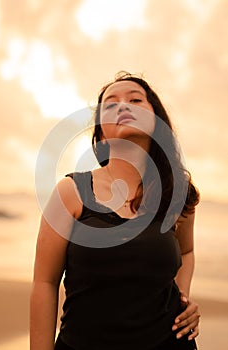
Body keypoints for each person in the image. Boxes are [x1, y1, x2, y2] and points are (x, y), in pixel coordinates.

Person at [30, 72, 201, 350]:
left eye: (135, 100)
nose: (123, 105)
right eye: (110, 104)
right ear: (101, 135)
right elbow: (44, 282)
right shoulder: (71, 192)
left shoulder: (178, 194)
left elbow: (186, 252)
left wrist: (182, 299)